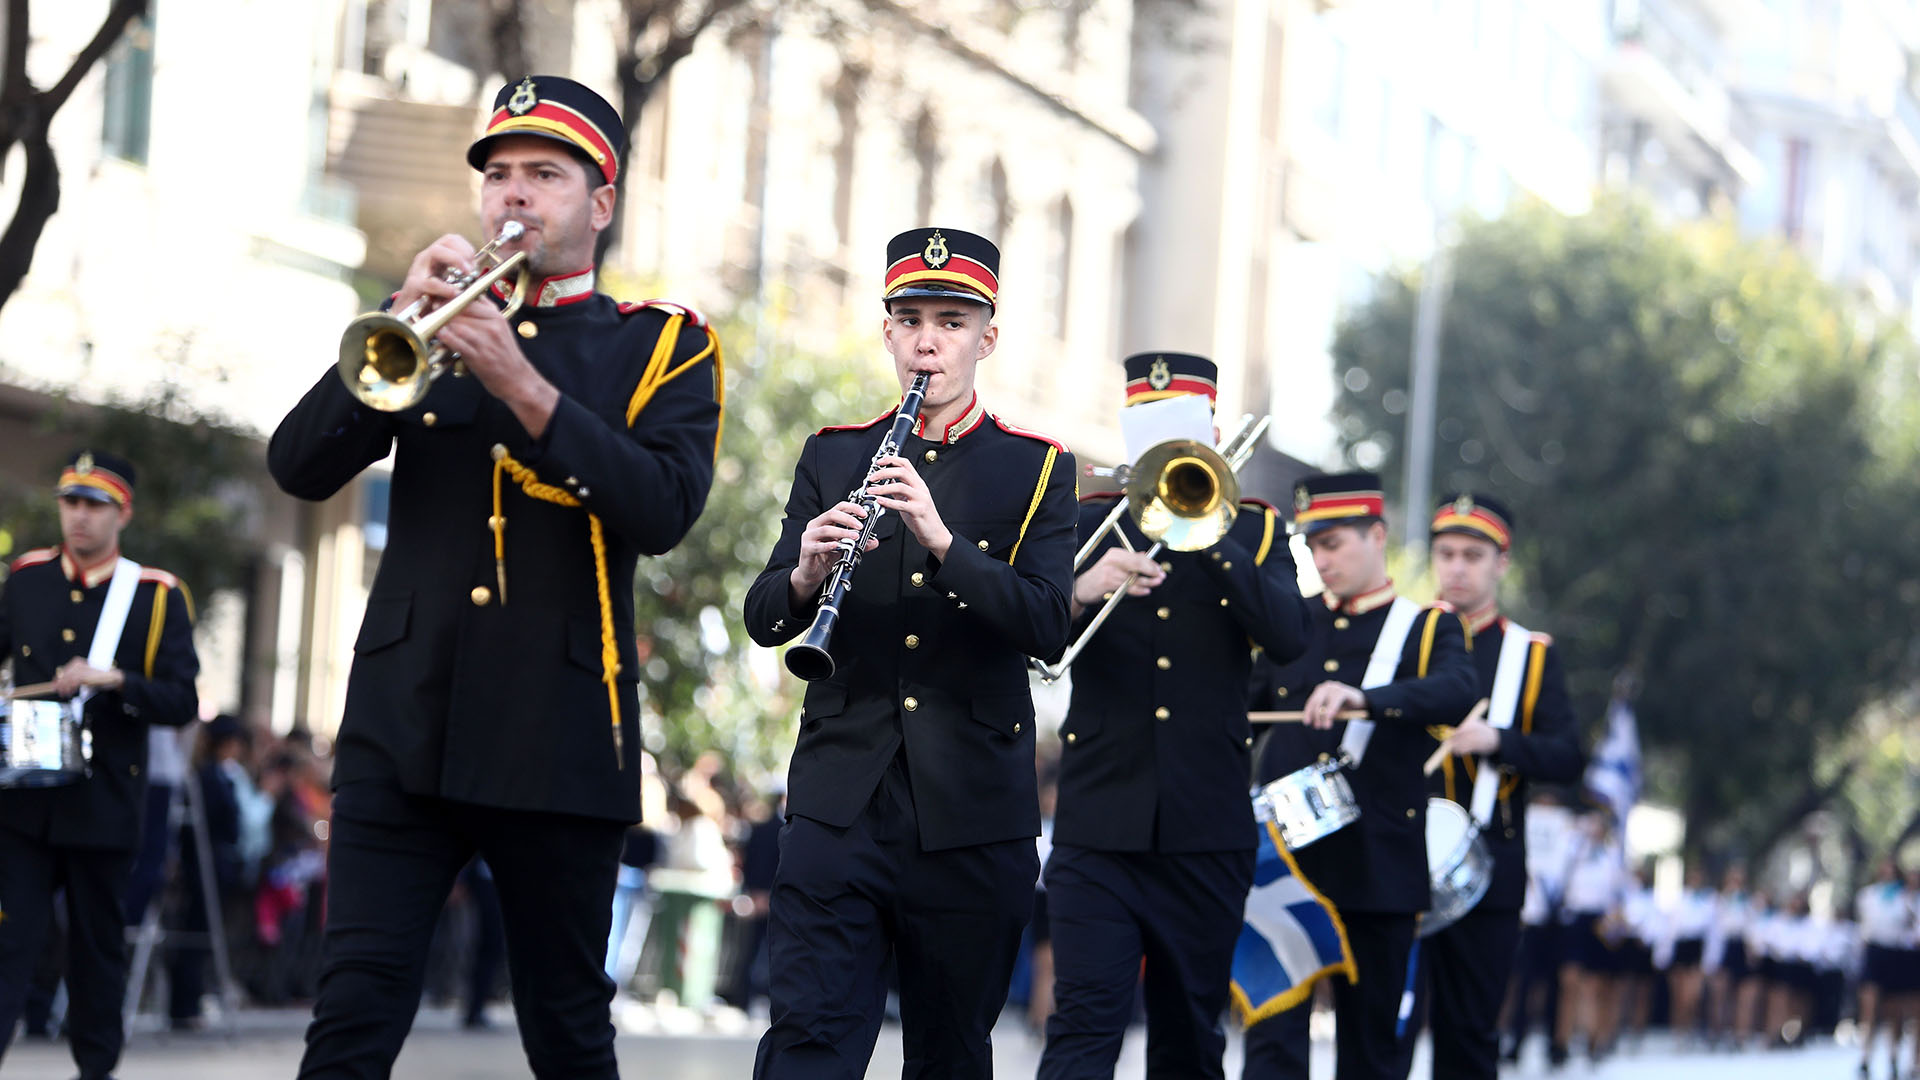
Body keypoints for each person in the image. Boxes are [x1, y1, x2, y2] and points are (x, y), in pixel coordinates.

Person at [269, 73, 723, 1079]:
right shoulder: (426, 327)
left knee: (567, 1031)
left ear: (599, 204)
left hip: (560, 732)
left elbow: (662, 509)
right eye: (500, 174)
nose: (514, 193)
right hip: (403, 723)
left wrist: (522, 385)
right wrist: (401, 313)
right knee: (349, 1021)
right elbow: (298, 467)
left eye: (545, 175)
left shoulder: (661, 343)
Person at [743, 225, 1077, 1078]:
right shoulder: (832, 454)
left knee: (949, 1056)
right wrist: (806, 572)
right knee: (807, 1042)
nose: (928, 341)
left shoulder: (1038, 468)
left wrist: (941, 540)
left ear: (986, 339)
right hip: (839, 799)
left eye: (952, 322)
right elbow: (763, 616)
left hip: (972, 812)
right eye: (912, 320)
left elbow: (1048, 626)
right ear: (887, 332)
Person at [1037, 352, 1312, 1080]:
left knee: (1190, 1039)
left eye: (1180, 427)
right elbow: (1030, 640)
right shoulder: (1087, 523)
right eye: (1147, 427)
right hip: (1098, 826)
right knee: (1082, 1029)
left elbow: (1290, 637)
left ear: (1214, 434)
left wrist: (1210, 533)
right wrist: (1083, 588)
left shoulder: (1257, 531)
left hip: (1205, 831)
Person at [1241, 472, 1478, 1080]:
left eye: (1334, 543)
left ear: (1377, 535)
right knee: (1271, 1044)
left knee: (1372, 1052)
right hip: (1288, 868)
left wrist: (1367, 700)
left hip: (1378, 868)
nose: (1322, 560)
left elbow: (1457, 690)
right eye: (1313, 546)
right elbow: (1240, 709)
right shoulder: (1292, 623)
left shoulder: (1426, 627)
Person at [0, 450, 200, 1080]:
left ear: (123, 513)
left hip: (105, 803)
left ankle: (95, 1071)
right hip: (23, 801)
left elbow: (182, 701)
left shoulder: (156, 594)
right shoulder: (26, 577)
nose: (79, 516)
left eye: (95, 504)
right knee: (7, 942)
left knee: (96, 952)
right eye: (70, 502)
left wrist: (116, 680)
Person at [1412, 493, 1583, 1079]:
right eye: (1446, 554)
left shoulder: (1529, 655)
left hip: (1490, 863)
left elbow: (1568, 757)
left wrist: (1500, 741)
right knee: (1388, 1025)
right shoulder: (1403, 637)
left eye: (1473, 555)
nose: (1457, 567)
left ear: (1501, 563)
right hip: (1398, 854)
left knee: (1469, 1033)